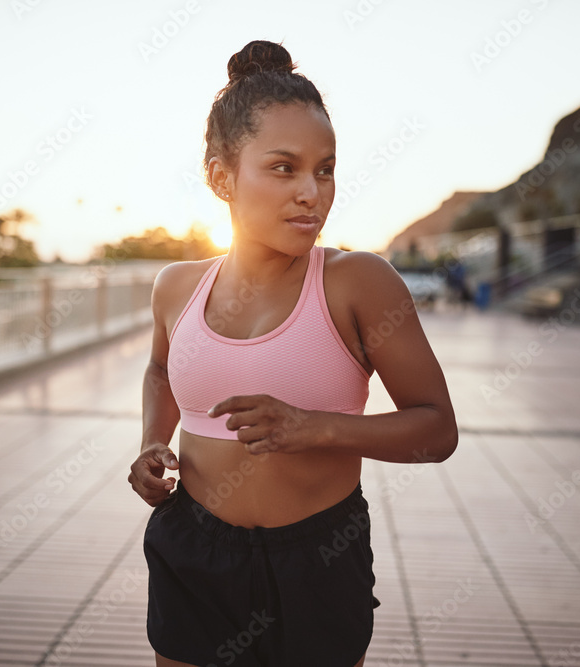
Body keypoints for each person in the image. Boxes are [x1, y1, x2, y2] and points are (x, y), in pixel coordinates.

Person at [127, 40, 457, 667]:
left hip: (317, 556)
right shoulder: (176, 286)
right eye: (284, 168)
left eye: (325, 169)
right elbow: (158, 369)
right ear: (222, 176)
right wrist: (151, 442)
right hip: (192, 548)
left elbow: (437, 430)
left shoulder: (357, 282)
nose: (312, 192)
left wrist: (314, 428)